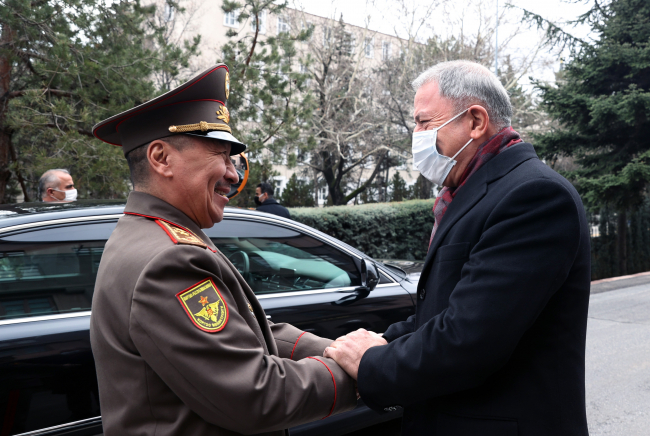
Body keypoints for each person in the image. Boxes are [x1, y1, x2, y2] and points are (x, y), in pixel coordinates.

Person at [324, 60, 591, 436]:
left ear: (476, 122)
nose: (415, 136)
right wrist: (383, 340)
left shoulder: (534, 196)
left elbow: (470, 339)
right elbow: (441, 312)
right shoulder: (466, 193)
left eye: (423, 122)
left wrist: (372, 363)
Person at [89, 64, 356, 436]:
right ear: (161, 158)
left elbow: (245, 329)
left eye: (233, 159)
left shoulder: (159, 234)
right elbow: (254, 394)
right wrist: (364, 374)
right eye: (221, 154)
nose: (233, 174)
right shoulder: (168, 258)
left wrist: (339, 349)